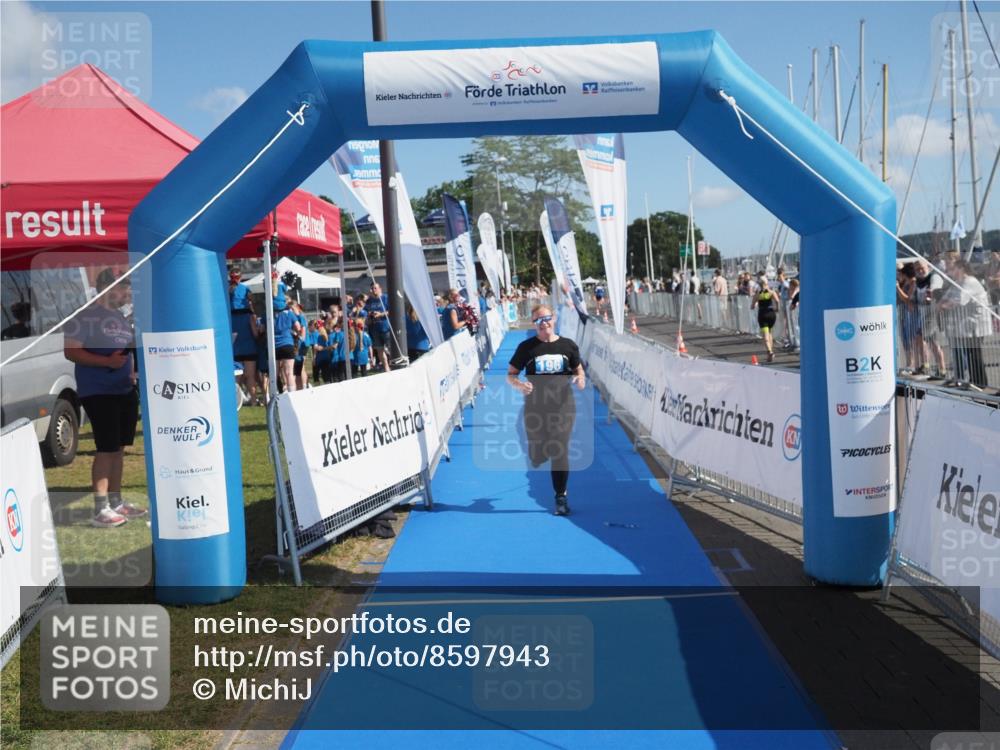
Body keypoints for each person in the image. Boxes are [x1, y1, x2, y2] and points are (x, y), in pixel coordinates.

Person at [62, 269, 146, 528]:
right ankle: (101, 509)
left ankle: (116, 501)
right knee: (106, 449)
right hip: (99, 392)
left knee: (119, 449)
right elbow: (71, 351)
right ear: (108, 288)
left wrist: (130, 369)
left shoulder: (119, 317)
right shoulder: (84, 316)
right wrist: (106, 361)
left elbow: (125, 349)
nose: (127, 295)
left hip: (124, 390)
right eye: (124, 289)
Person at [506, 305, 586, 517]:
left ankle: (561, 497)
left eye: (547, 318)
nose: (544, 323)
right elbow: (510, 375)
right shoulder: (527, 348)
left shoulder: (568, 346)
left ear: (554, 319)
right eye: (539, 320)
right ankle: (537, 451)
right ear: (534, 324)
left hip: (563, 406)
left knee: (559, 448)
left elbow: (578, 368)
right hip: (535, 408)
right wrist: (520, 385)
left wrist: (580, 378)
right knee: (539, 453)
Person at [939, 259, 991, 388]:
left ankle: (980, 383)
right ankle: (974, 381)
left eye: (953, 269)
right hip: (967, 325)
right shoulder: (958, 282)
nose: (951, 272)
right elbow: (946, 296)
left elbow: (958, 300)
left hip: (976, 324)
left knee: (974, 353)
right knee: (970, 352)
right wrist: (942, 302)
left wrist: (944, 305)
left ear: (961, 268)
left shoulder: (969, 281)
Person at [229, 269, 260, 405]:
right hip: (248, 344)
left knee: (236, 375)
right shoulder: (246, 291)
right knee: (250, 375)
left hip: (234, 343)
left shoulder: (226, 290)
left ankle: (235, 402)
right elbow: (254, 331)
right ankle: (253, 400)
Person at [363, 282, 392, 373]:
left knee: (390, 348)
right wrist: (369, 316)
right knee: (379, 349)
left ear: (380, 289)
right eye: (372, 288)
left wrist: (381, 314)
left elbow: (392, 310)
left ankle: (394, 364)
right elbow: (365, 312)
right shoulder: (369, 301)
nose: (373, 290)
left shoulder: (385, 298)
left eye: (375, 288)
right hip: (374, 328)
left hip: (385, 327)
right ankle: (386, 367)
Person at [752, 277, 777, 362]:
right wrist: (777, 308)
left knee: (765, 335)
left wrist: (754, 305)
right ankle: (771, 351)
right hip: (771, 314)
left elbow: (752, 305)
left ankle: (769, 352)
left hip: (763, 315)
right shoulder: (771, 292)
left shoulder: (758, 294)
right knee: (770, 332)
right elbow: (777, 300)